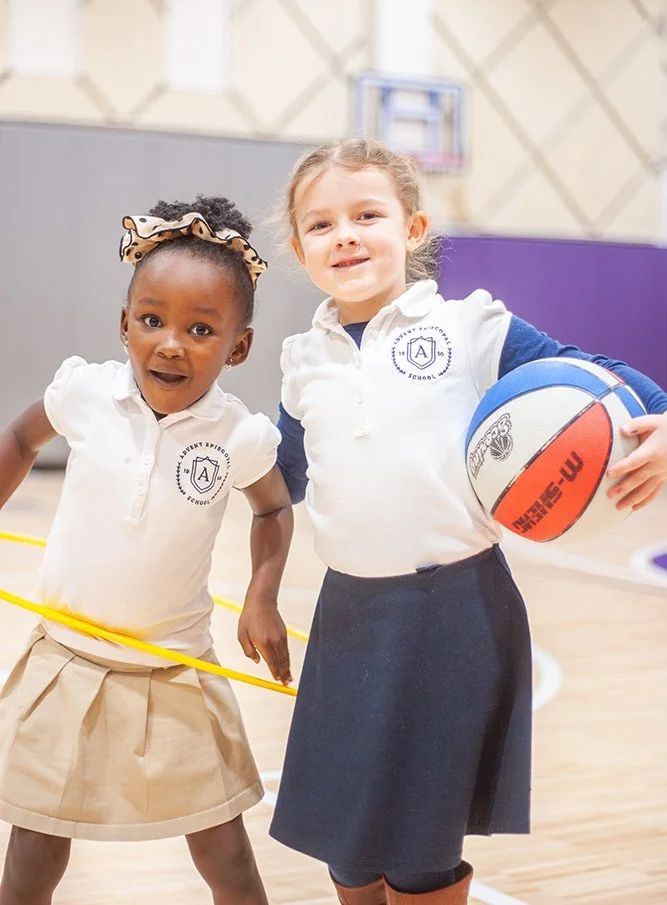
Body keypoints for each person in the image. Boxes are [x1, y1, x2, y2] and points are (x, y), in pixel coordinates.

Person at [268, 139, 667, 905]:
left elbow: (605, 378)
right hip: (347, 616)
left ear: (413, 229)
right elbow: (280, 480)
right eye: (320, 226)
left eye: (366, 214)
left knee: (420, 853)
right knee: (348, 852)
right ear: (298, 249)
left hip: (453, 615)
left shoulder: (470, 328)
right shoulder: (301, 361)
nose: (344, 234)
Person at [0, 195, 293, 905]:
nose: (171, 343)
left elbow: (275, 508)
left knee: (226, 859)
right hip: (67, 661)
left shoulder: (238, 435)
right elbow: (18, 440)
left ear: (238, 346)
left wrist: (261, 596)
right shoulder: (84, 393)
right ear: (124, 325)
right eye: (152, 320)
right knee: (33, 853)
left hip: (174, 669)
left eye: (200, 329)